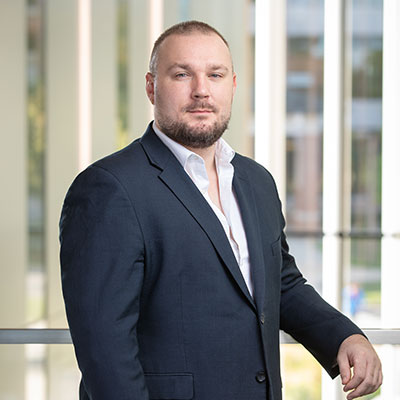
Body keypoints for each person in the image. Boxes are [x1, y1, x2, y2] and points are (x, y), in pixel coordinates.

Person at [60, 21, 382, 400]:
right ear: (151, 86)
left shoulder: (256, 181)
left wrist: (344, 336)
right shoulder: (108, 189)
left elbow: (281, 284)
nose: (201, 90)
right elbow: (105, 350)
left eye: (215, 74)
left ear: (232, 85)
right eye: (182, 74)